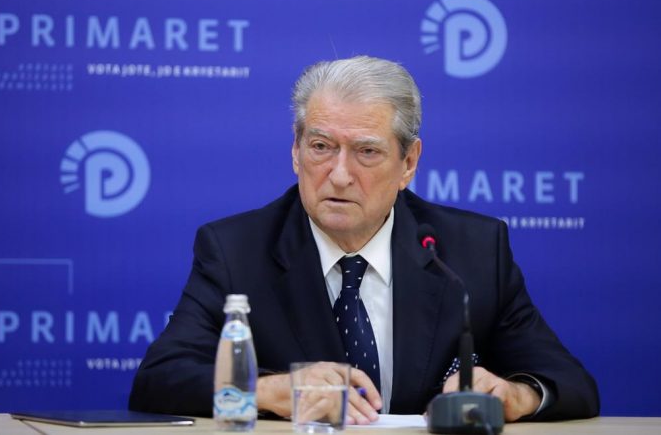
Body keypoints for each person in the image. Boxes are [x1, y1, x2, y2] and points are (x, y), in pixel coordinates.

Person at [129, 56, 599, 423]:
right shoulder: (235, 250)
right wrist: (269, 391)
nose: (338, 175)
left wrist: (516, 395)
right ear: (295, 151)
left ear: (409, 163)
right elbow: (158, 381)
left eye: (366, 152)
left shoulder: (472, 250)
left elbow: (569, 382)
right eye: (321, 147)